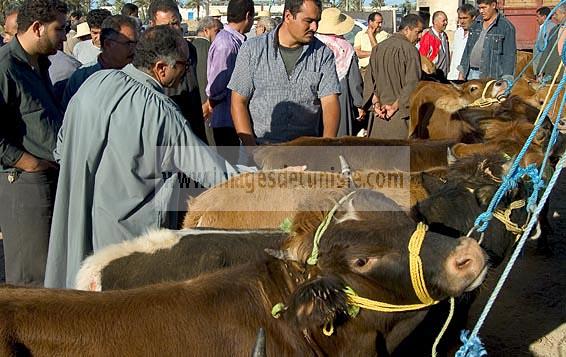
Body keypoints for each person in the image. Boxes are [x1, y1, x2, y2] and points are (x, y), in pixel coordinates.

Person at [45, 26, 242, 289]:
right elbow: (216, 174)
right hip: (129, 248)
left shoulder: (93, 83)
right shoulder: (161, 112)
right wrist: (273, 179)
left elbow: (60, 148)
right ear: (161, 68)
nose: (186, 71)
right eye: (184, 64)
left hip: (80, 227)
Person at [0, 0, 67, 286]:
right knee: (30, 280)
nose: (65, 35)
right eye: (60, 29)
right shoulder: (5, 67)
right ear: (38, 28)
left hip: (47, 177)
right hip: (25, 183)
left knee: (50, 275)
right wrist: (28, 163)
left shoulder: (38, 64)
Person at [229, 0, 340, 147]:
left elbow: (330, 102)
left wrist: (326, 147)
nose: (315, 27)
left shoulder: (323, 54)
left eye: (317, 21)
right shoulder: (252, 50)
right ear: (288, 16)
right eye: (308, 21)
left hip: (306, 152)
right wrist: (251, 150)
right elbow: (238, 102)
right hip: (261, 149)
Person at [148, 0, 209, 145]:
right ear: (152, 25)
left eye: (174, 23)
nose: (172, 30)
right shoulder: (147, 56)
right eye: (164, 26)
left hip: (194, 130)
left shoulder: (191, 50)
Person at [207, 0, 255, 161]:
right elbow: (216, 87)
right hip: (226, 120)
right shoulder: (226, 45)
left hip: (233, 120)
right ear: (248, 16)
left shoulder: (234, 42)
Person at [363, 14, 423, 140]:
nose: (420, 37)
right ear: (407, 30)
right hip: (400, 119)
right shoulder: (411, 51)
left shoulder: (378, 48)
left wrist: (376, 104)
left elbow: (369, 82)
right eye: (418, 32)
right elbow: (412, 84)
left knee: (377, 156)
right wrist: (395, 106)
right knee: (400, 157)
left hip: (379, 118)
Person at [61, 15, 138, 108]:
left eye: (136, 43)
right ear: (108, 44)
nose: (134, 49)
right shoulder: (82, 77)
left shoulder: (139, 75)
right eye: (128, 43)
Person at [315, 8, 363, 136]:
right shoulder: (346, 47)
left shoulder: (314, 44)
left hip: (316, 92)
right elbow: (354, 80)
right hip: (340, 93)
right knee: (339, 133)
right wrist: (359, 104)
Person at [458, 0, 516, 80]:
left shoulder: (506, 27)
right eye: (479, 8)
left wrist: (506, 80)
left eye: (484, 8)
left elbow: (509, 56)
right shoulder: (476, 23)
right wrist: (462, 72)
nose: (481, 11)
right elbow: (467, 50)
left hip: (490, 76)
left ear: (493, 5)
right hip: (470, 73)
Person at [192, 16, 223, 145]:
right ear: (206, 31)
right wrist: (208, 103)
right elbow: (209, 79)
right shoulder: (208, 48)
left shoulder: (191, 47)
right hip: (208, 109)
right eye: (217, 32)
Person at [354, 12, 389, 78]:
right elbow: (358, 53)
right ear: (370, 22)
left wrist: (371, 35)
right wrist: (373, 53)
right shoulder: (360, 34)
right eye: (378, 23)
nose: (380, 25)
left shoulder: (384, 35)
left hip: (378, 71)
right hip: (364, 71)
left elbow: (378, 52)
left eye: (381, 22)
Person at [447, 4, 477, 80]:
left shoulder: (477, 34)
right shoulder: (458, 32)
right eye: (460, 18)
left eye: (465, 18)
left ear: (473, 17)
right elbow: (453, 52)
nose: (462, 21)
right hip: (453, 75)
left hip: (468, 76)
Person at [536, 4, 566, 80]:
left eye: (556, 14)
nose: (554, 17)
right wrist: (540, 70)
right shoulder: (554, 30)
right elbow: (547, 51)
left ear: (564, 14)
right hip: (553, 72)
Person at [418, 11, 450, 78]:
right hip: (433, 77)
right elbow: (422, 59)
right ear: (435, 22)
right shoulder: (427, 37)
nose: (446, 23)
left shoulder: (444, 36)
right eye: (443, 21)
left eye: (446, 20)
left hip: (443, 76)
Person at [533, 7, 555, 73]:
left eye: (538, 16)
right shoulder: (546, 27)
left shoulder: (549, 28)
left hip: (543, 67)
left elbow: (548, 49)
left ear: (544, 17)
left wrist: (542, 70)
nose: (536, 19)